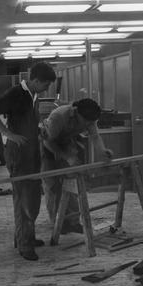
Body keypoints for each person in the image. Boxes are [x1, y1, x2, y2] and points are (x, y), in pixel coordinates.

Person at [0, 62, 56, 261]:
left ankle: (26, 237)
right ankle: (24, 245)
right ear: (34, 80)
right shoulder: (17, 93)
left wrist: (40, 127)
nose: (46, 89)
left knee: (32, 196)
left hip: (31, 152)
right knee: (23, 198)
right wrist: (8, 134)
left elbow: (30, 119)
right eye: (45, 85)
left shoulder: (33, 96)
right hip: (18, 154)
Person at [41, 98, 113, 234]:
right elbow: (48, 142)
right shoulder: (59, 116)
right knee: (52, 186)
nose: (88, 124)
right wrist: (67, 157)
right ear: (75, 112)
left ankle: (73, 221)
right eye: (85, 122)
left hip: (66, 142)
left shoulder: (89, 117)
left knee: (73, 183)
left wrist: (103, 152)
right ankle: (58, 222)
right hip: (48, 145)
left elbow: (95, 137)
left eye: (91, 122)